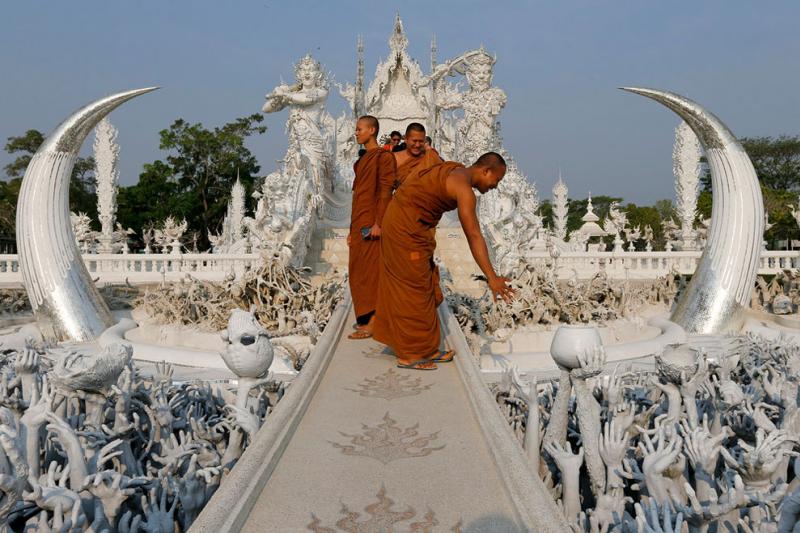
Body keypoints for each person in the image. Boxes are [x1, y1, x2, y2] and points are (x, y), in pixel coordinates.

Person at [373, 152, 514, 369]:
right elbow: (474, 235)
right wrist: (491, 277)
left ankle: (426, 349)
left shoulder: (454, 168)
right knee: (414, 288)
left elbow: (428, 163)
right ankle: (411, 354)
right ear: (485, 171)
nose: (495, 186)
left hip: (410, 224)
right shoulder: (465, 191)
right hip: (404, 229)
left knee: (426, 282)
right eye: (497, 179)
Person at [348, 116, 397, 339]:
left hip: (372, 223)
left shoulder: (383, 157)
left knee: (372, 273)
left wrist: (379, 222)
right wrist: (350, 230)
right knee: (358, 272)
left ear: (372, 130)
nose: (356, 133)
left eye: (360, 129)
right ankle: (366, 318)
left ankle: (375, 321)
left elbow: (386, 190)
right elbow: (358, 196)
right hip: (359, 220)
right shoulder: (362, 160)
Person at [393, 123, 442, 188]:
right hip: (401, 197)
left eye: (421, 141)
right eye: (414, 141)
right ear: (406, 139)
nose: (417, 145)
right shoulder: (395, 158)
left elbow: (442, 179)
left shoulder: (430, 157)